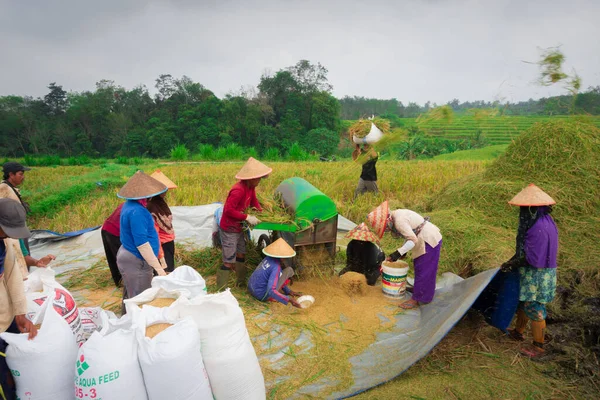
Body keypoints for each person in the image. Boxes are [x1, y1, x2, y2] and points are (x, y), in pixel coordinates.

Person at [502, 184, 558, 359]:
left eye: (525, 209)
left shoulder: (538, 228)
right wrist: (512, 261)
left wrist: (511, 264)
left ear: (533, 209)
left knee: (534, 307)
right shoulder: (545, 221)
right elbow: (526, 251)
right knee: (525, 301)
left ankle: (539, 347)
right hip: (537, 270)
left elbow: (530, 257)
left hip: (537, 274)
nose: (522, 213)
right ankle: (518, 332)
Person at [367, 201, 442, 309]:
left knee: (425, 270)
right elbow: (409, 235)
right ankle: (419, 290)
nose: (388, 230)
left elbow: (412, 240)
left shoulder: (399, 221)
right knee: (421, 268)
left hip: (428, 239)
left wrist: (396, 254)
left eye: (386, 227)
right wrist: (404, 251)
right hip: (422, 238)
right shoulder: (397, 214)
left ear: (387, 220)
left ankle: (416, 299)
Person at [0, 198, 38, 399]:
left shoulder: (3, 243)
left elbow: (12, 273)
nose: (7, 235)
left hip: (6, 315)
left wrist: (20, 312)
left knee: (14, 369)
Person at [116, 171, 168, 311]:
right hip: (135, 258)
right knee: (141, 297)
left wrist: (160, 259)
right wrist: (158, 268)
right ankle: (136, 327)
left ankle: (127, 318)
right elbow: (142, 244)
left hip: (130, 254)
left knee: (132, 293)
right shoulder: (137, 212)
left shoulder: (130, 205)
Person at [218, 157, 272, 289]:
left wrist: (261, 212)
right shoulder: (238, 190)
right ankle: (221, 288)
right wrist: (247, 216)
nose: (259, 181)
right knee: (229, 260)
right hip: (230, 228)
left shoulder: (250, 188)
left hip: (239, 226)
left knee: (241, 253)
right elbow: (228, 210)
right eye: (258, 178)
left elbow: (254, 201)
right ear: (251, 178)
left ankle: (240, 282)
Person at [0, 162, 55, 275]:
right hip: (9, 235)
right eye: (20, 174)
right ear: (11, 174)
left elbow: (23, 254)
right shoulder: (3, 189)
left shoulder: (12, 189)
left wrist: (37, 262)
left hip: (16, 231)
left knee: (22, 256)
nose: (23, 177)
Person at [247, 238, 302, 307]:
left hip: (251, 288)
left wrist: (288, 291)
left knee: (284, 272)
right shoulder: (276, 267)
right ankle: (272, 297)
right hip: (261, 295)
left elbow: (278, 278)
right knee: (289, 270)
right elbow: (271, 290)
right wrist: (290, 300)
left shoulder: (267, 258)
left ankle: (286, 291)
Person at [147, 170, 177, 273]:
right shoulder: (151, 206)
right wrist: (159, 252)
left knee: (169, 267)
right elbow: (154, 230)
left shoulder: (160, 202)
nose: (166, 191)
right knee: (165, 269)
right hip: (161, 243)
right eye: (164, 190)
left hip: (168, 240)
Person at [101, 203, 124, 287]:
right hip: (113, 231)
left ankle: (119, 280)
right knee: (119, 256)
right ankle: (121, 281)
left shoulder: (129, 204)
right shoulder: (137, 208)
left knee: (116, 256)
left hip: (108, 228)